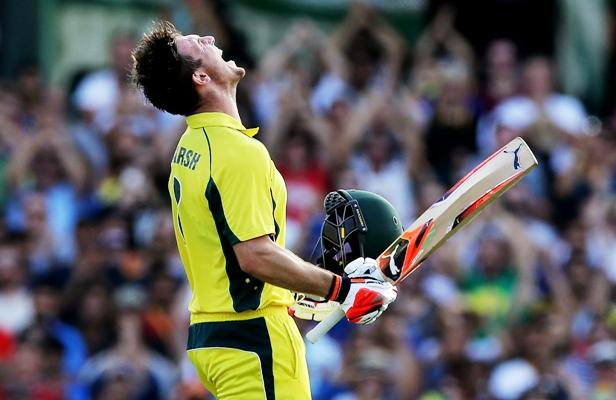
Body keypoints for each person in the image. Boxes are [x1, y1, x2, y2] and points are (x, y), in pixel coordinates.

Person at [131, 21, 398, 399]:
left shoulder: (189, 145)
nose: (208, 38)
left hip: (219, 334)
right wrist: (342, 289)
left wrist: (309, 288)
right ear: (202, 76)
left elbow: (227, 254)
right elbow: (254, 257)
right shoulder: (236, 152)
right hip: (252, 338)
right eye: (197, 43)